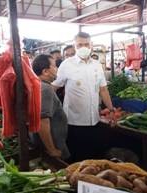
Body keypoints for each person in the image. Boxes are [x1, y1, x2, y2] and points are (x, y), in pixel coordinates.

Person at [52, 32, 115, 161]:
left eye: (86, 44)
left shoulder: (97, 65)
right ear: (75, 46)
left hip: (94, 120)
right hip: (74, 123)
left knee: (94, 159)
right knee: (77, 159)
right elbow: (54, 87)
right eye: (80, 45)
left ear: (91, 45)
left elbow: (103, 90)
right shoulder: (66, 65)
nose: (83, 47)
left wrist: (111, 110)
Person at [31, 54, 70, 159]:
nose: (57, 69)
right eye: (54, 66)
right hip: (52, 143)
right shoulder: (45, 89)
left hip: (43, 143)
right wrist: (52, 150)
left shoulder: (37, 85)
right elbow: (42, 122)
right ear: (45, 71)